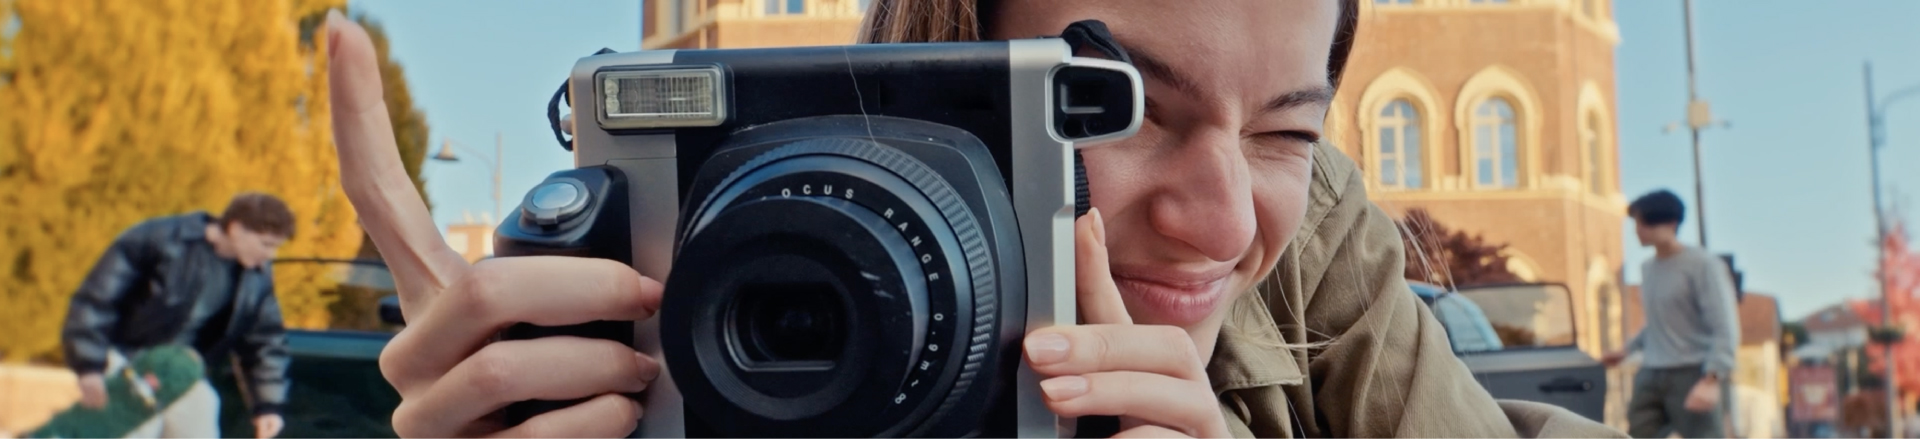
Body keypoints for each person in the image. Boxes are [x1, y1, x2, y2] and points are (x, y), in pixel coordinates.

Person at [322, 0, 1625, 437]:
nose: (1225, 219)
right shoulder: (681, 302)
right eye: (1112, 104)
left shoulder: (1310, 238)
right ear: (940, 68)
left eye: (1287, 127)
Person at [60, 192, 296, 439]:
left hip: (184, 373)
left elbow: (264, 341)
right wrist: (89, 366)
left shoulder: (256, 277)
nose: (271, 255)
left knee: (200, 419)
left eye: (276, 247)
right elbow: (96, 301)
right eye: (266, 244)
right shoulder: (157, 239)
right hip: (128, 360)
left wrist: (268, 406)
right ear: (236, 229)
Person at [1601, 189, 1741, 438]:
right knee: (1636, 434)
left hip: (1693, 372)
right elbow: (1657, 322)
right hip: (1651, 371)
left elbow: (1724, 326)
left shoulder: (1703, 265)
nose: (1638, 230)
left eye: (1644, 223)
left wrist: (1712, 379)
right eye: (1636, 224)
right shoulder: (1648, 269)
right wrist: (1626, 350)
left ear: (1671, 223)